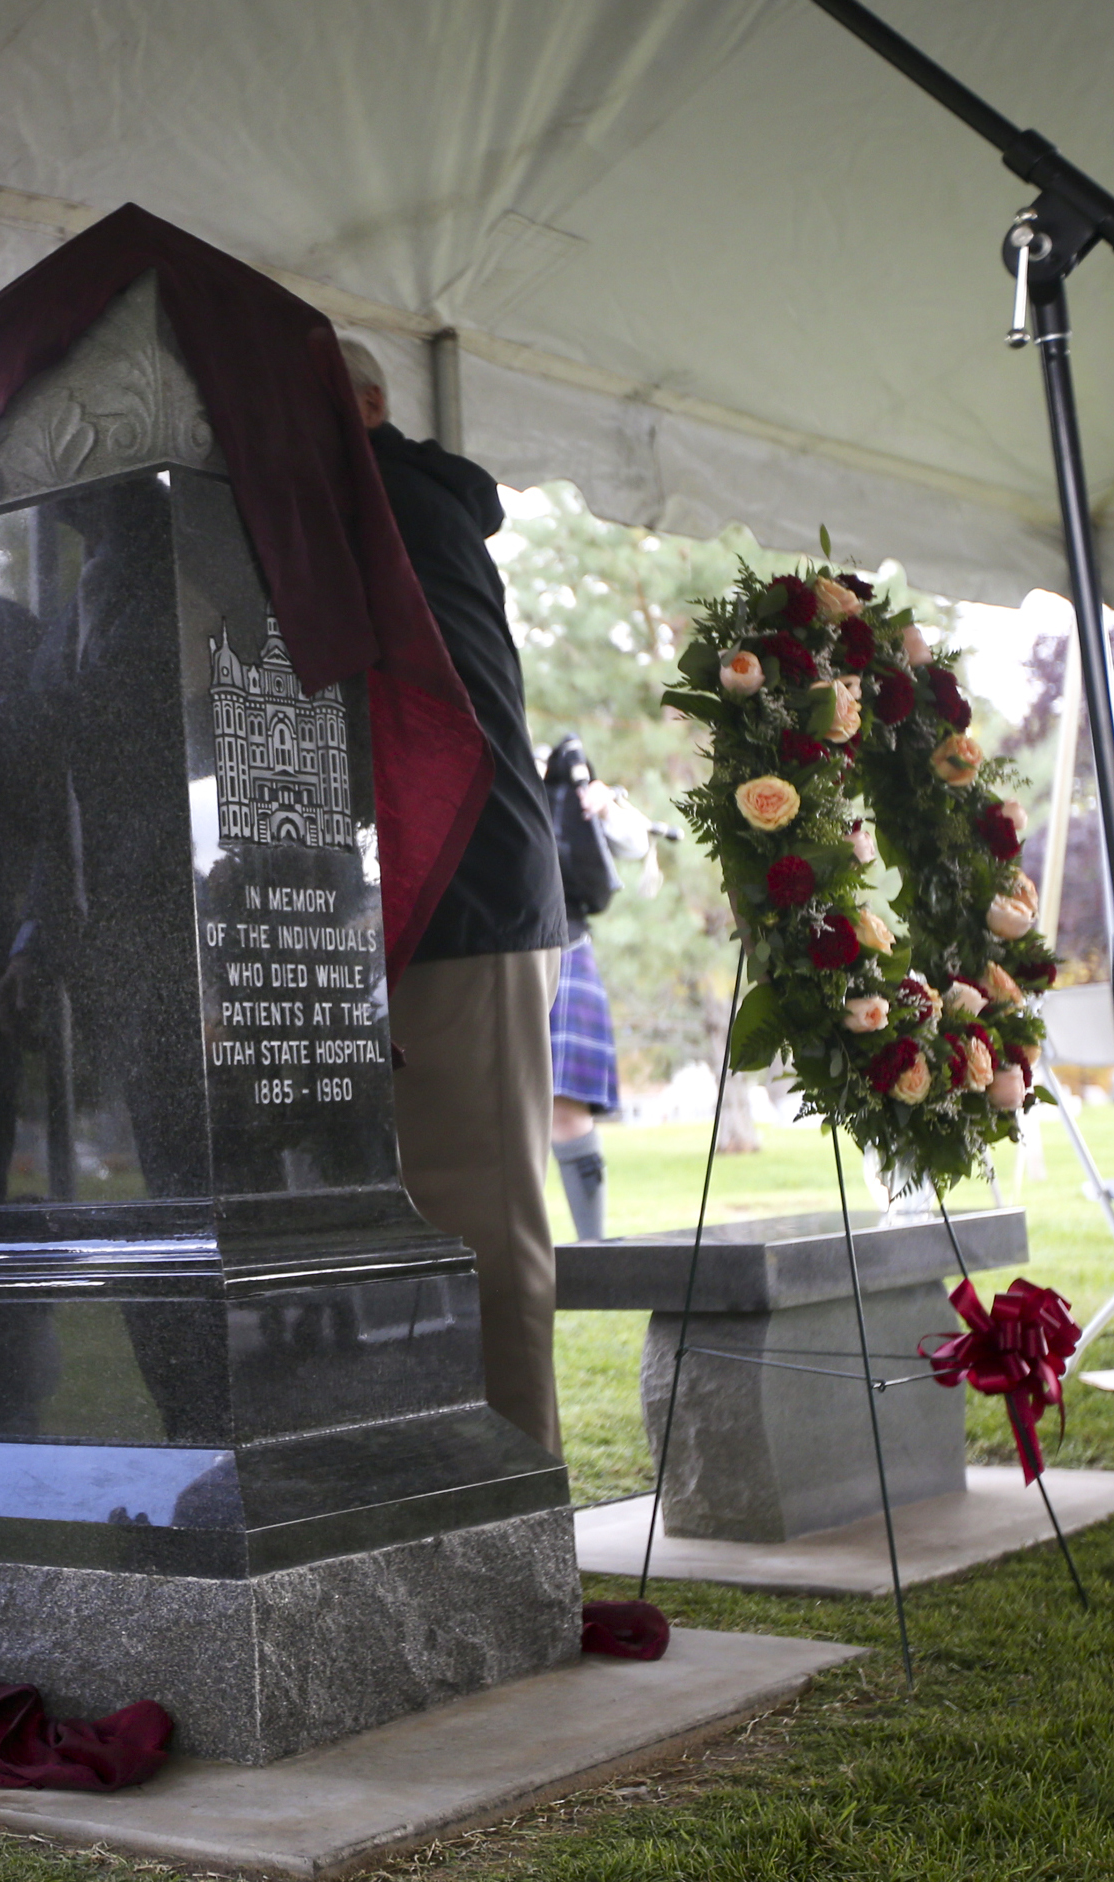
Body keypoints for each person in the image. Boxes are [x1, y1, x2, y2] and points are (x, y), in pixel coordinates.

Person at [340, 338, 569, 1460]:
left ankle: (516, 1496)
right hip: (433, 889)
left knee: (483, 1217)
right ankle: (447, 1477)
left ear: (371, 405)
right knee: (440, 1210)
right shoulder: (391, 499)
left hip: (468, 889)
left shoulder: (382, 499)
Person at [543, 735, 623, 1241]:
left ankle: (594, 1250)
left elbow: (632, 845)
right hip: (490, 953)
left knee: (567, 1109)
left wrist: (607, 804)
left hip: (566, 946)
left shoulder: (572, 784)